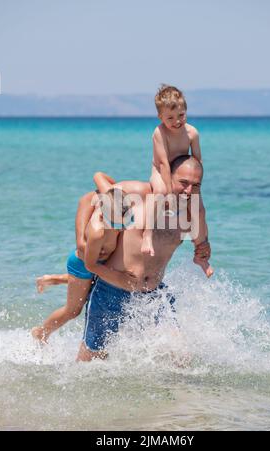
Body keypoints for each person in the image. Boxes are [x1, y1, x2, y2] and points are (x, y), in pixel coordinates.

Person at [76, 156, 212, 361]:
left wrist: (204, 249)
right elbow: (88, 199)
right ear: (168, 177)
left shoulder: (192, 213)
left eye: (195, 185)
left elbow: (201, 245)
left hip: (153, 294)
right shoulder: (139, 193)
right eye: (183, 183)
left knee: (181, 358)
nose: (188, 191)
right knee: (91, 362)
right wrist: (82, 241)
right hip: (110, 291)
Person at [31, 188, 133, 343]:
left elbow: (101, 178)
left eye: (124, 221)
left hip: (99, 264)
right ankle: (41, 332)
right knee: (73, 310)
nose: (121, 227)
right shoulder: (98, 231)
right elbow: (91, 265)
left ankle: (52, 279)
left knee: (93, 286)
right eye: (115, 223)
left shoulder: (116, 209)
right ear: (102, 214)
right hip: (82, 265)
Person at [140, 85, 213, 279]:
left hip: (182, 173)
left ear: (186, 111)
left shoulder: (192, 133)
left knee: (199, 209)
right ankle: (148, 234)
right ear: (160, 118)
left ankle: (201, 254)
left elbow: (198, 161)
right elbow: (163, 163)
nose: (176, 121)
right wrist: (171, 191)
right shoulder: (159, 132)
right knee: (161, 193)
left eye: (181, 115)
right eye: (170, 118)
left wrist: (196, 188)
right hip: (161, 171)